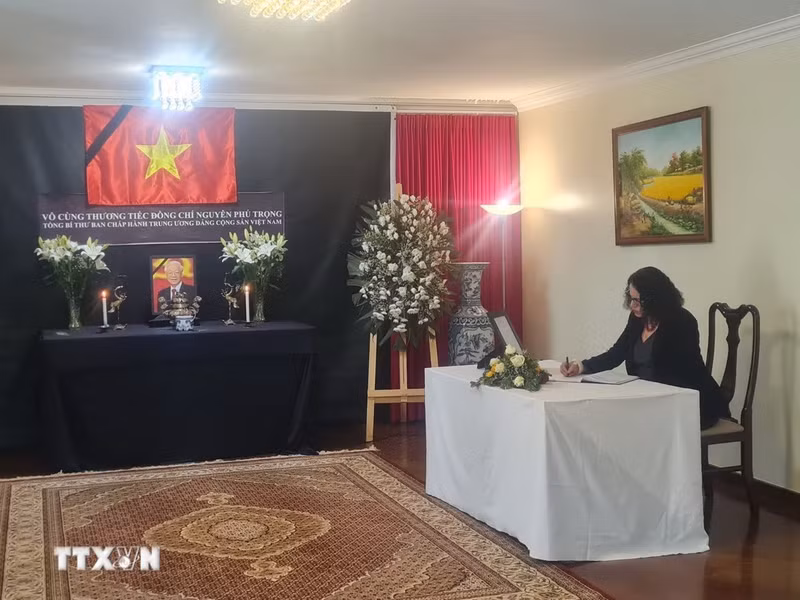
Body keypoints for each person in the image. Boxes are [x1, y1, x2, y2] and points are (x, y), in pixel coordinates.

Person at [560, 266, 727, 430]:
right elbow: (616, 353)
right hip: (649, 400)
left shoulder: (682, 322)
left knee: (624, 424)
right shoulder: (637, 320)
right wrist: (581, 366)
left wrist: (637, 392)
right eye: (631, 299)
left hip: (688, 404)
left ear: (655, 299)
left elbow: (680, 373)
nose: (632, 305)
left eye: (637, 300)